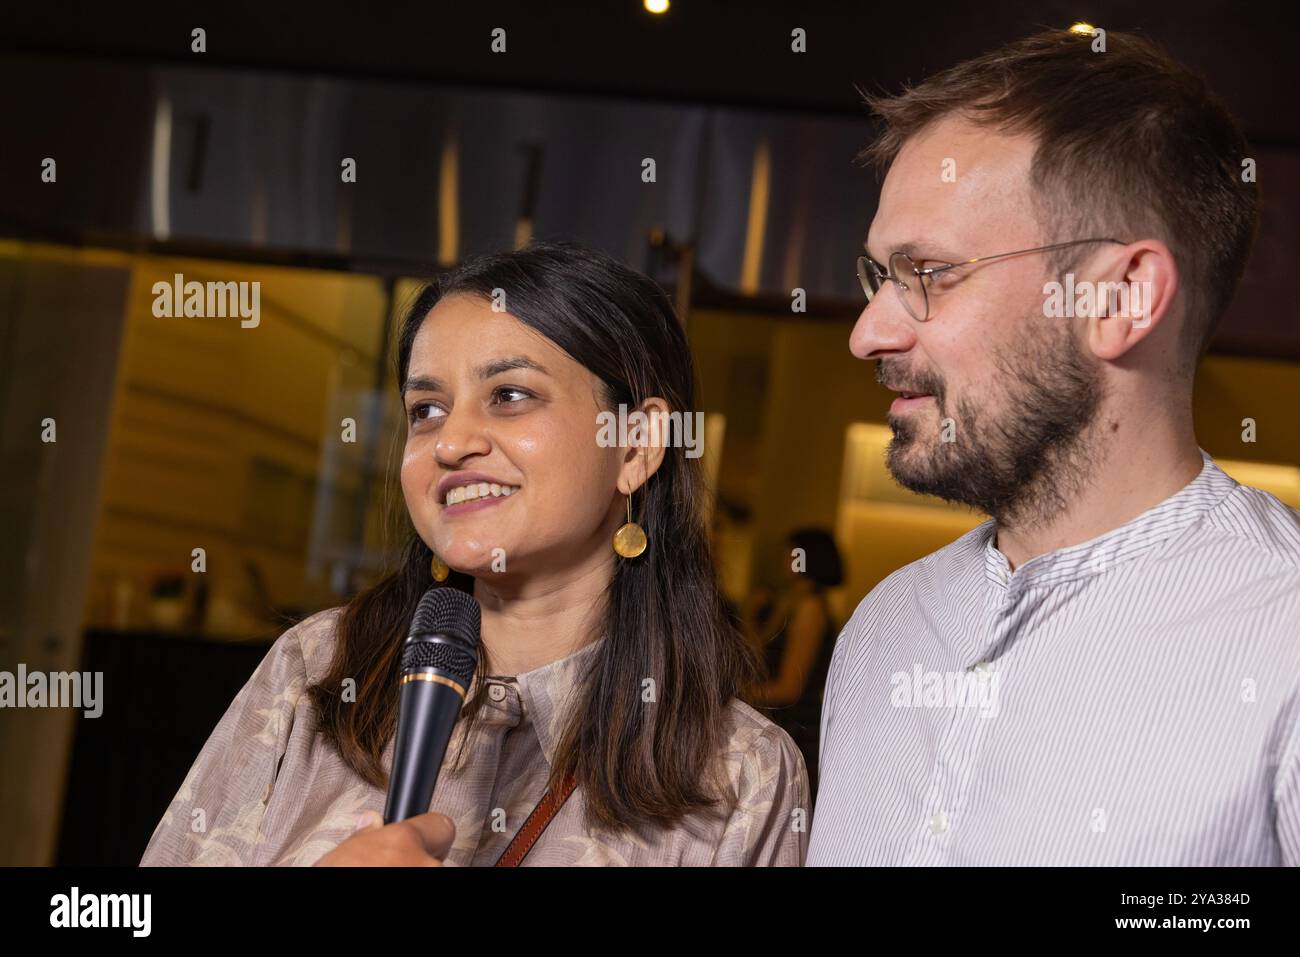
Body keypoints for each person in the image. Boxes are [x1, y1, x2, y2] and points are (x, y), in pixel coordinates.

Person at [141, 241, 809, 866]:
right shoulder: (314, 670)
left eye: (509, 396)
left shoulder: (743, 773)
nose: (451, 441)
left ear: (635, 445)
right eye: (427, 408)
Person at [808, 29, 1300, 865]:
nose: (867, 333)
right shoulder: (883, 628)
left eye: (927, 272)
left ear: (1121, 297)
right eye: (877, 277)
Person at [746, 528, 844, 797]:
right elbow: (758, 656)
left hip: (797, 727)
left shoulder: (810, 608)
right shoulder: (789, 602)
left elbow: (790, 688)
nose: (783, 559)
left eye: (790, 553)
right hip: (782, 721)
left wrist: (734, 695)